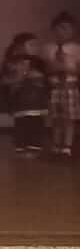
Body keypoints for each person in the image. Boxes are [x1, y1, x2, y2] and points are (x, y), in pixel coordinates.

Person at [0, 38, 48, 157]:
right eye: (31, 44)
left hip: (37, 101)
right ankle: (21, 146)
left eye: (36, 45)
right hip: (20, 100)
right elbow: (5, 81)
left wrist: (37, 76)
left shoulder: (40, 62)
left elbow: (45, 79)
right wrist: (20, 76)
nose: (35, 47)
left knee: (36, 123)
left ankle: (34, 147)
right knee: (21, 124)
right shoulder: (10, 63)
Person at [41, 13, 79, 157]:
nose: (64, 32)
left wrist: (67, 68)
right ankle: (56, 144)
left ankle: (67, 146)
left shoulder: (76, 49)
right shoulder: (48, 49)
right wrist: (54, 68)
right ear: (54, 29)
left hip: (70, 87)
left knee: (69, 119)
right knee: (56, 118)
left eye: (68, 28)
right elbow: (45, 69)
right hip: (55, 88)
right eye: (61, 28)